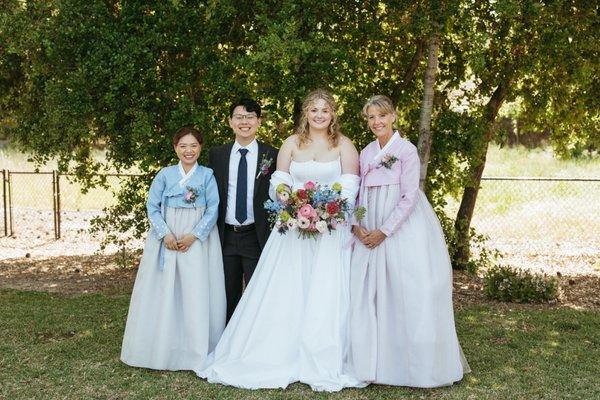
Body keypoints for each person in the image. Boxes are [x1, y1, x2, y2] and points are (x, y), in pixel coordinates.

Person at [197, 89, 365, 392]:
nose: (318, 115)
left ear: (333, 114)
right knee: (285, 289)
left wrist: (325, 213)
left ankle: (322, 355)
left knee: (324, 290)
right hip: (292, 229)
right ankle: (274, 350)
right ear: (305, 113)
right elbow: (280, 181)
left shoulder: (345, 145)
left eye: (324, 110)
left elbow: (351, 183)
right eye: (313, 110)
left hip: (329, 230)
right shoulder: (290, 143)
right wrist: (292, 203)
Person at [349, 95, 470, 387]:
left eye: (382, 116)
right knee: (373, 292)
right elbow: (359, 194)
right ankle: (376, 365)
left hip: (400, 227)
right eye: (371, 117)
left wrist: (385, 230)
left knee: (408, 289)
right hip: (371, 224)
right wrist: (358, 225)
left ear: (393, 117)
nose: (376, 122)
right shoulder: (365, 152)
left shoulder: (406, 150)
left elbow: (409, 196)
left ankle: (412, 366)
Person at [121, 126, 226, 371]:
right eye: (183, 146)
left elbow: (213, 209)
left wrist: (194, 235)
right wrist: (165, 234)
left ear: (200, 148)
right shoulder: (165, 175)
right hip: (167, 239)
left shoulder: (207, 175)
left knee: (194, 289)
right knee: (165, 289)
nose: (188, 151)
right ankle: (162, 348)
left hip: (196, 240)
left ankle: (196, 350)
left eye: (193, 146)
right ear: (175, 148)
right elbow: (152, 206)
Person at [208, 98, 278, 322]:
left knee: (259, 294)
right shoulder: (217, 154)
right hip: (225, 235)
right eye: (239, 117)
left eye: (250, 117)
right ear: (230, 122)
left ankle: (255, 344)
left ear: (258, 121)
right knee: (227, 295)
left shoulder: (272, 155)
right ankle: (225, 344)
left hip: (256, 236)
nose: (244, 122)